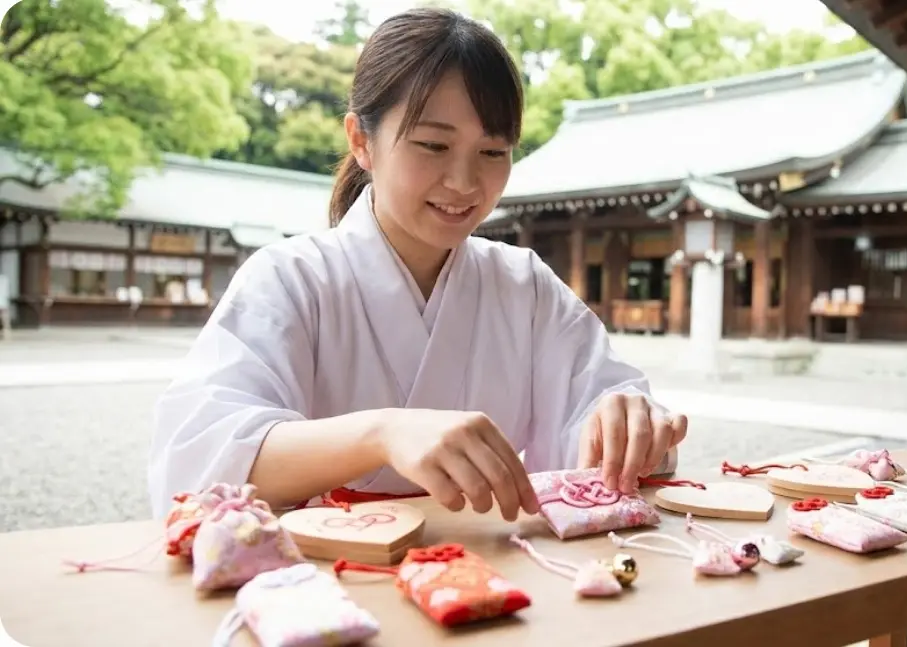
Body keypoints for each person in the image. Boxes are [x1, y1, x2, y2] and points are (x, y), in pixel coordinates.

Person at [146, 7, 688, 523]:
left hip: (495, 578)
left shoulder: (525, 286)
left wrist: (623, 425)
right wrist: (380, 435)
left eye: (493, 152)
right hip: (328, 574)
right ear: (361, 140)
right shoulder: (290, 280)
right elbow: (199, 457)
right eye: (433, 145)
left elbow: (592, 414)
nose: (464, 183)